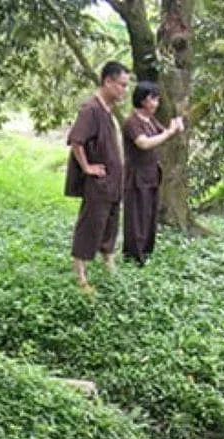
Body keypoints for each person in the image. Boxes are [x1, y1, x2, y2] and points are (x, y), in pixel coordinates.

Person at [66, 62, 130, 291]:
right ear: (108, 82)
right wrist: (87, 167)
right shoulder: (91, 109)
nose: (125, 90)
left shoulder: (107, 110)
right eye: (122, 85)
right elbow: (76, 140)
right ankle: (80, 276)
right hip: (99, 181)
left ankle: (108, 263)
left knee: (110, 222)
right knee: (91, 223)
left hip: (113, 180)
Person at [121, 82, 184, 266]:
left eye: (157, 98)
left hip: (152, 175)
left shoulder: (150, 121)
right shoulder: (132, 122)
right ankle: (133, 257)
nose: (156, 102)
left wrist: (175, 127)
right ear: (142, 100)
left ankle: (146, 253)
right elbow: (144, 143)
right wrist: (169, 132)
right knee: (136, 217)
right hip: (136, 176)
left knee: (149, 216)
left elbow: (163, 135)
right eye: (153, 98)